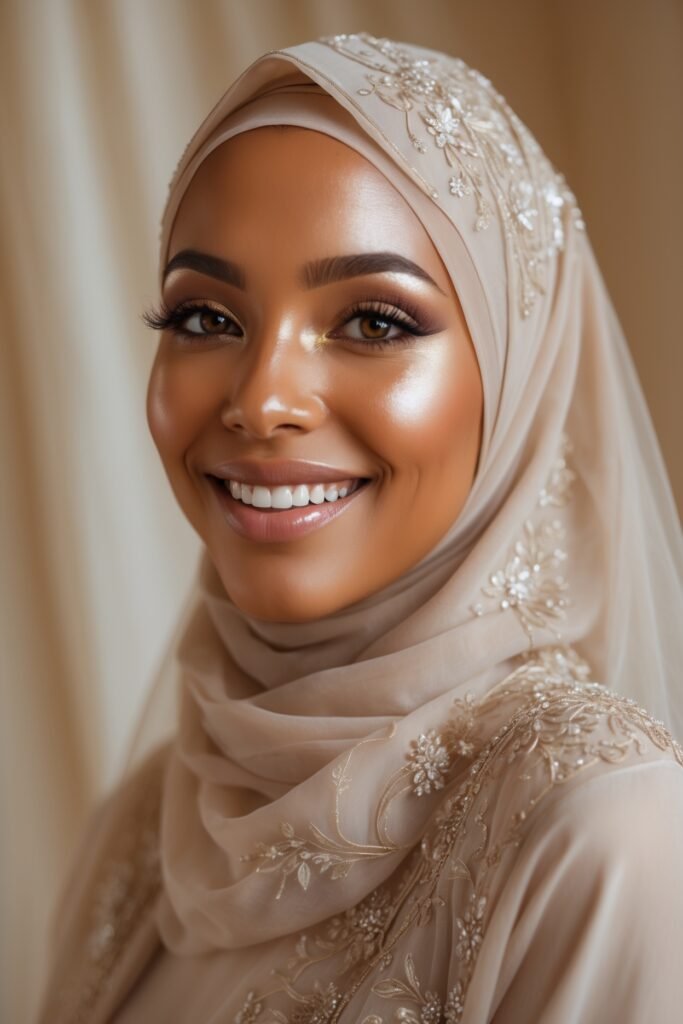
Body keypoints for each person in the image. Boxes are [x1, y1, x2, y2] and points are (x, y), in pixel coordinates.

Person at [37, 33, 683, 1024]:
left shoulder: (594, 824)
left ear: (516, 375)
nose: (261, 401)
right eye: (205, 319)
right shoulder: (143, 834)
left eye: (373, 322)